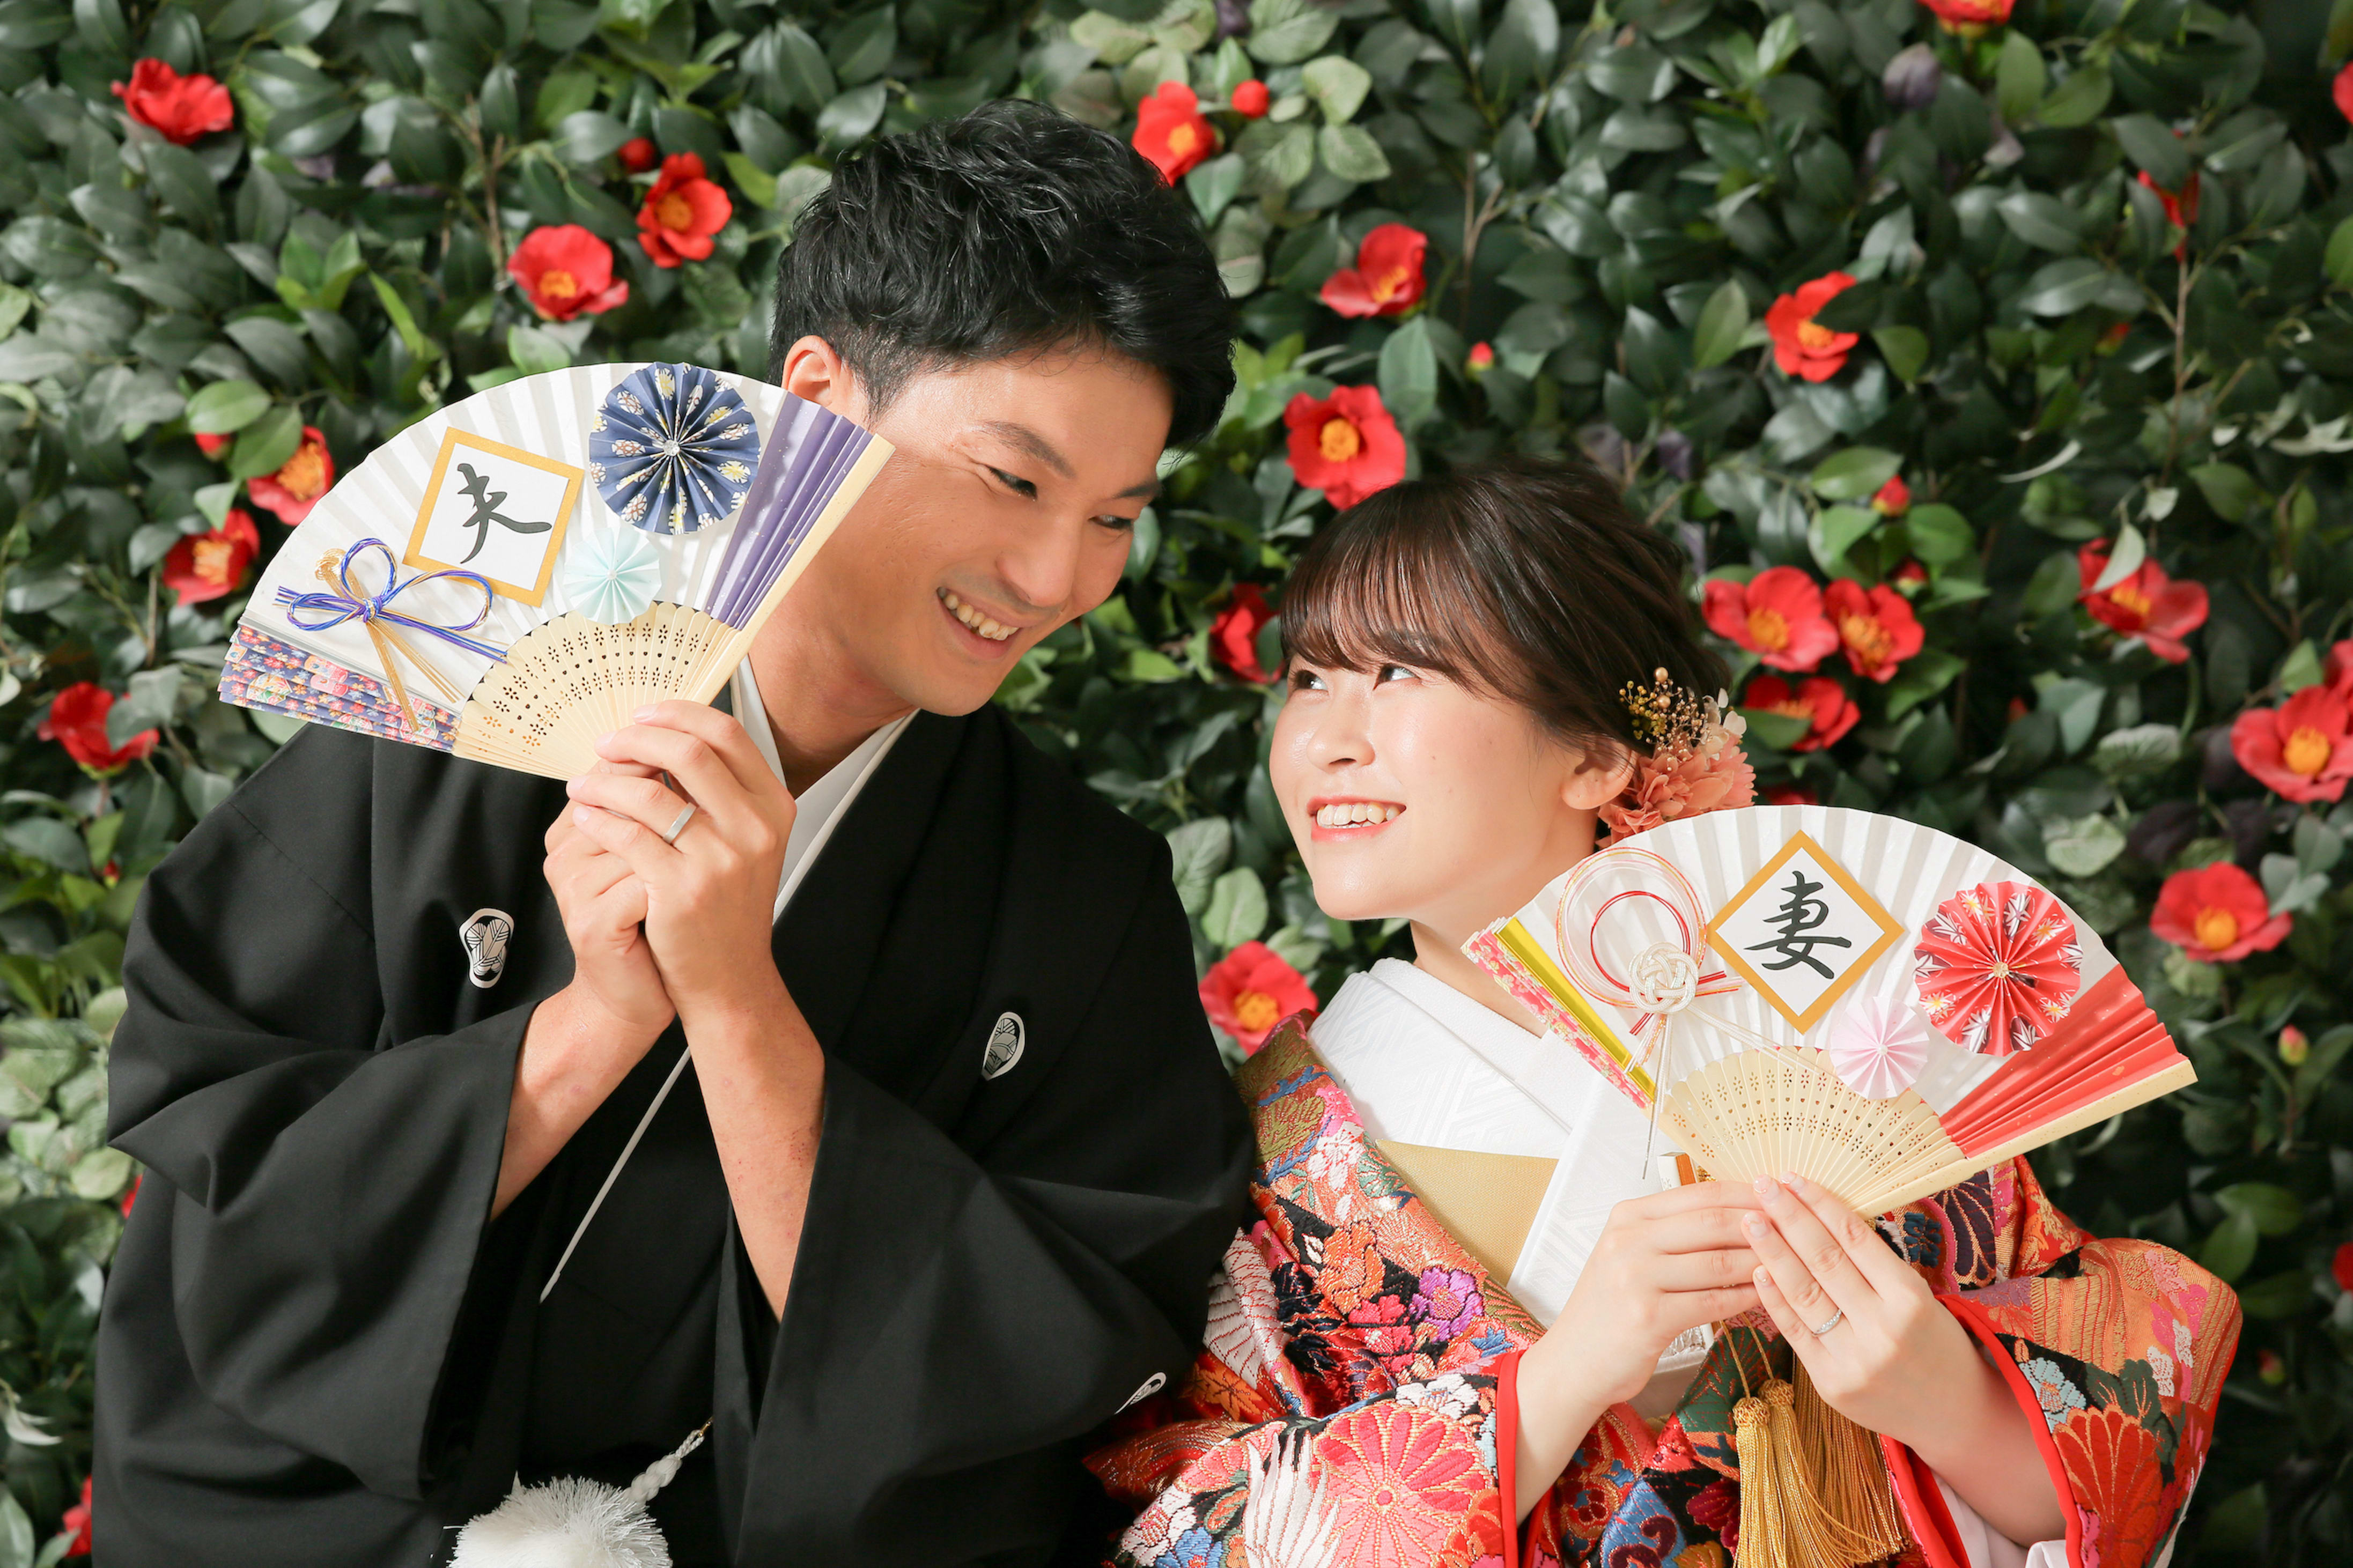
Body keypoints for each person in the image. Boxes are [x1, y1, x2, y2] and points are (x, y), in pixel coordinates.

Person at [95, 102, 1253, 1566]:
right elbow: (227, 1142)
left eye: (1114, 517)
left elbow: (1057, 1348)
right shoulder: (458, 704)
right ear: (818, 398)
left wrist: (733, 997)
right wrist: (598, 1017)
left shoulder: (1080, 894)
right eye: (1014, 480)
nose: (1051, 576)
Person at [1088, 457, 2237, 1568]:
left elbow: (2111, 1460)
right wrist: (1557, 1381)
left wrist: (1943, 1393)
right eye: (1308, 678)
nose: (1326, 738)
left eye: (1398, 673)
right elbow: (1168, 1527)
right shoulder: (1257, 1157)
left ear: (1594, 756)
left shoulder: (1841, 1053)